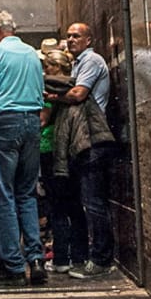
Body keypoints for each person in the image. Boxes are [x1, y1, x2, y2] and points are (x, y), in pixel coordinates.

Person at [0, 10, 47, 286]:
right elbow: (42, 95)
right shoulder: (31, 53)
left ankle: (13, 266)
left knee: (4, 193)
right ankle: (36, 260)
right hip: (32, 123)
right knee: (27, 193)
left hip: (6, 122)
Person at [45, 22, 117, 279]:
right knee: (84, 201)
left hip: (93, 140)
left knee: (94, 202)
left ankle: (102, 260)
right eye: (69, 36)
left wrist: (51, 97)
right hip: (82, 140)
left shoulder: (91, 60)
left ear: (89, 39)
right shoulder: (76, 63)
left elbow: (77, 94)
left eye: (77, 36)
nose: (71, 39)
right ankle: (88, 256)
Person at [38, 50, 89, 274]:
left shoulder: (50, 89)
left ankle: (60, 259)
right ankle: (79, 255)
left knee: (57, 206)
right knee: (75, 205)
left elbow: (43, 120)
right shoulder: (75, 85)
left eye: (47, 68)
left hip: (51, 149)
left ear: (55, 68)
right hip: (72, 149)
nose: (45, 72)